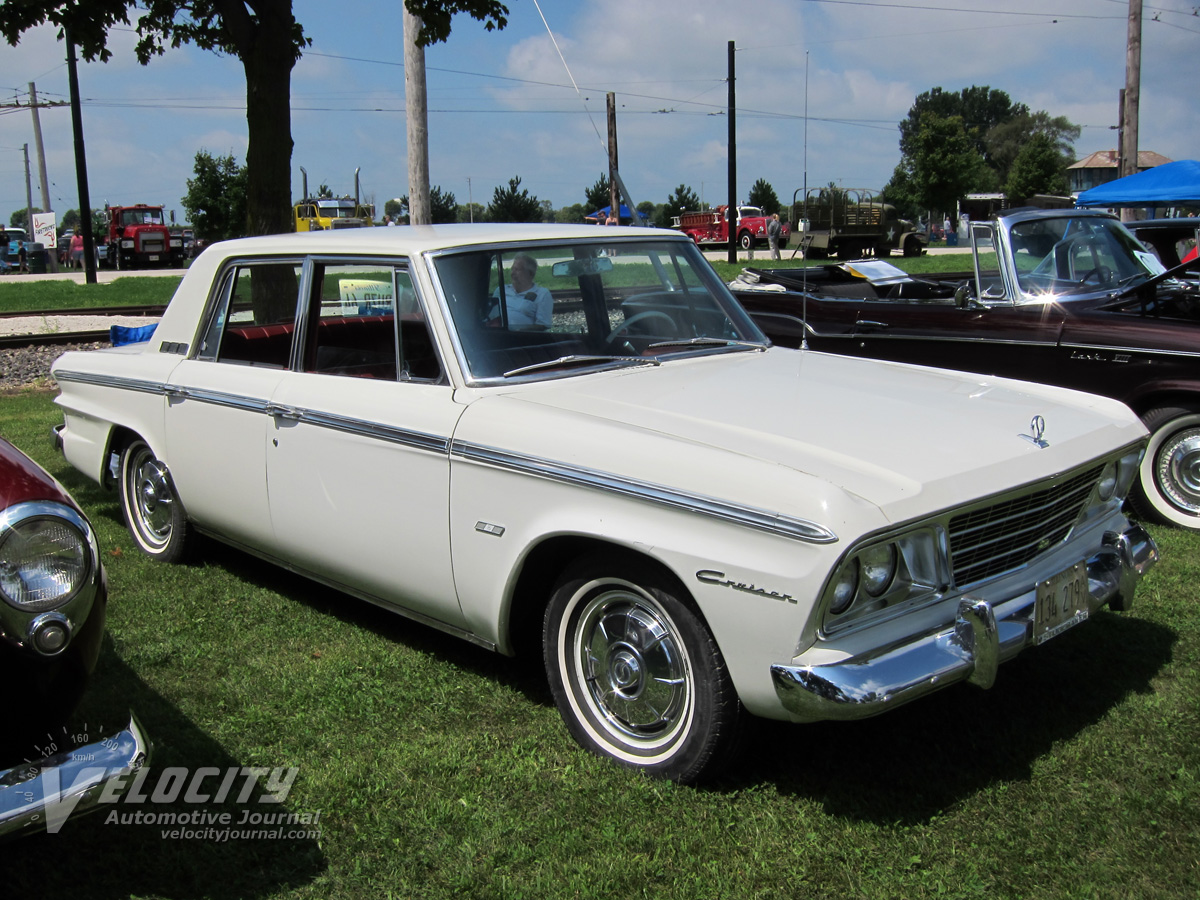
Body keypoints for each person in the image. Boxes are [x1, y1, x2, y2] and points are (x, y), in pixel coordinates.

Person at [492, 253, 553, 330]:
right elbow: (491, 316)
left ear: (530, 273)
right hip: (498, 335)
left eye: (517, 270)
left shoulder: (542, 293)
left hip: (523, 338)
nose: (512, 273)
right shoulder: (501, 290)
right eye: (512, 269)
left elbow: (543, 325)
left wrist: (521, 331)